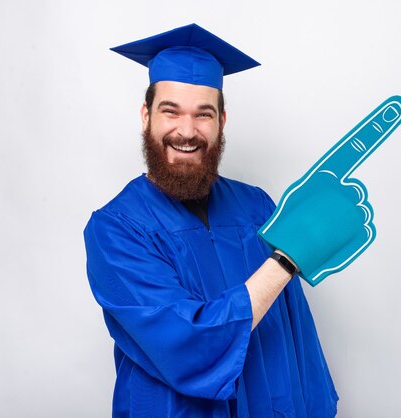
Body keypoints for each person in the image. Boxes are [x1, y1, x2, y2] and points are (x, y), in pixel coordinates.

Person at [84, 23, 338, 417]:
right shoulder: (116, 230)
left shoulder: (256, 207)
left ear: (221, 121)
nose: (187, 131)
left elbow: (295, 336)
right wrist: (287, 260)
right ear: (146, 115)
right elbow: (185, 341)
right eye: (171, 111)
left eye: (203, 114)